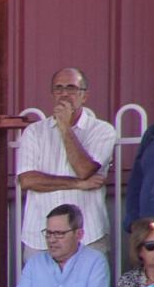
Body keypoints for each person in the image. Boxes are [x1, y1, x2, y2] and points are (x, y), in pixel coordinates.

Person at [16, 68, 117, 261]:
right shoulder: (34, 132)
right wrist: (78, 184)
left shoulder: (102, 130)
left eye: (71, 88)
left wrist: (64, 127)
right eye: (58, 88)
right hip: (40, 238)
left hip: (88, 234)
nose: (64, 94)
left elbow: (85, 169)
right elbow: (28, 180)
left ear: (85, 95)